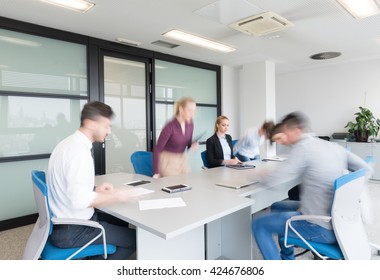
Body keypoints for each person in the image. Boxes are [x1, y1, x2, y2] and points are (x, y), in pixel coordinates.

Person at [251, 111, 371, 260]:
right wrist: (350, 197)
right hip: (340, 221)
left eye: (285, 134)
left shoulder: (302, 148)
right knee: (277, 206)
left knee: (258, 224)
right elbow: (367, 169)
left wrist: (258, 175)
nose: (283, 140)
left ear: (296, 131)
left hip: (320, 226)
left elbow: (275, 180)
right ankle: (287, 257)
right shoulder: (331, 146)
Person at [46, 101, 136, 260]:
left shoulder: (67, 144)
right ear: (90, 123)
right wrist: (117, 196)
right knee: (135, 240)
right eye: (106, 126)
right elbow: (79, 200)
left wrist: (95, 190)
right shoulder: (79, 153)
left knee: (119, 221)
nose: (109, 131)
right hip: (75, 231)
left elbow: (69, 184)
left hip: (62, 223)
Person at [153, 96, 198, 178]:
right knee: (174, 186)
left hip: (182, 159)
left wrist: (192, 144)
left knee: (189, 184)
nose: (192, 114)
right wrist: (156, 172)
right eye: (189, 110)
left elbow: (187, 143)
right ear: (181, 109)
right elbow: (157, 149)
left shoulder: (190, 123)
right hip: (168, 160)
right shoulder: (170, 126)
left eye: (194, 111)